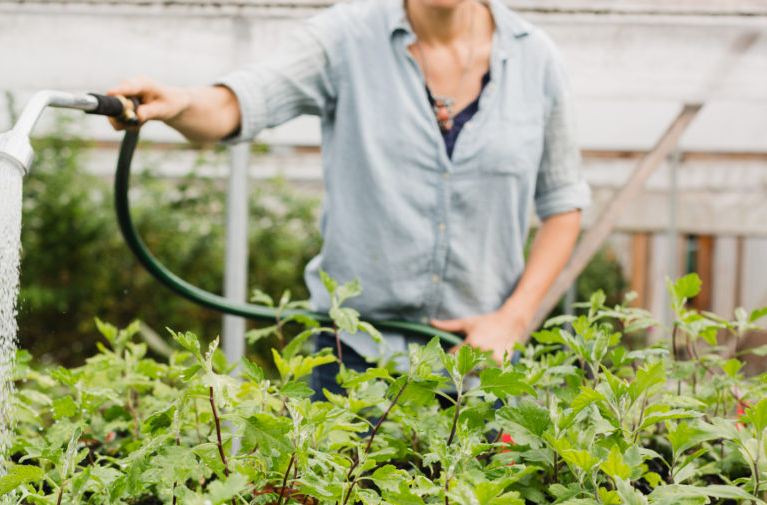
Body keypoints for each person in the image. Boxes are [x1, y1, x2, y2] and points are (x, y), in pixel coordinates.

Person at [108, 0, 588, 397]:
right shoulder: (345, 39)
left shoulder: (535, 60)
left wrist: (513, 318)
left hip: (480, 363)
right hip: (354, 359)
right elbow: (243, 101)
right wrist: (182, 103)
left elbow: (563, 206)